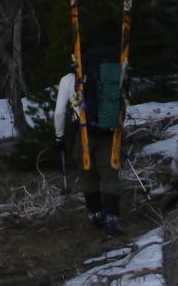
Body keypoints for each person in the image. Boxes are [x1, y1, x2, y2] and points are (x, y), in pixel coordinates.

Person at [53, 43, 125, 236]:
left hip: (84, 133)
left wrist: (59, 136)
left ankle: (95, 214)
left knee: (88, 174)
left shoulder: (69, 79)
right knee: (110, 173)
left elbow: (60, 113)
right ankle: (112, 217)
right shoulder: (111, 74)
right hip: (109, 130)